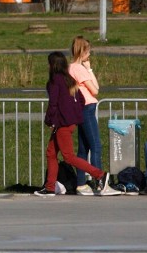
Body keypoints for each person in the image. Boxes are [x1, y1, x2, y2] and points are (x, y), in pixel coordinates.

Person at [36, 51, 116, 197]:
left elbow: (53, 103)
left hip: (62, 124)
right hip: (69, 123)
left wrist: (49, 120)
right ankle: (49, 187)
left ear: (52, 65)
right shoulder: (69, 80)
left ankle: (100, 175)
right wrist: (74, 115)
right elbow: (81, 101)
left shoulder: (54, 80)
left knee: (69, 156)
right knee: (51, 153)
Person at [67, 36, 109, 195]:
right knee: (95, 146)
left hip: (84, 108)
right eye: (88, 51)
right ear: (82, 51)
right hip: (87, 108)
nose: (89, 54)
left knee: (83, 149)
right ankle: (99, 181)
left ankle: (81, 183)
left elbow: (96, 88)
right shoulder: (77, 69)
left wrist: (89, 69)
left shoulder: (73, 68)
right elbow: (96, 90)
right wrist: (88, 70)